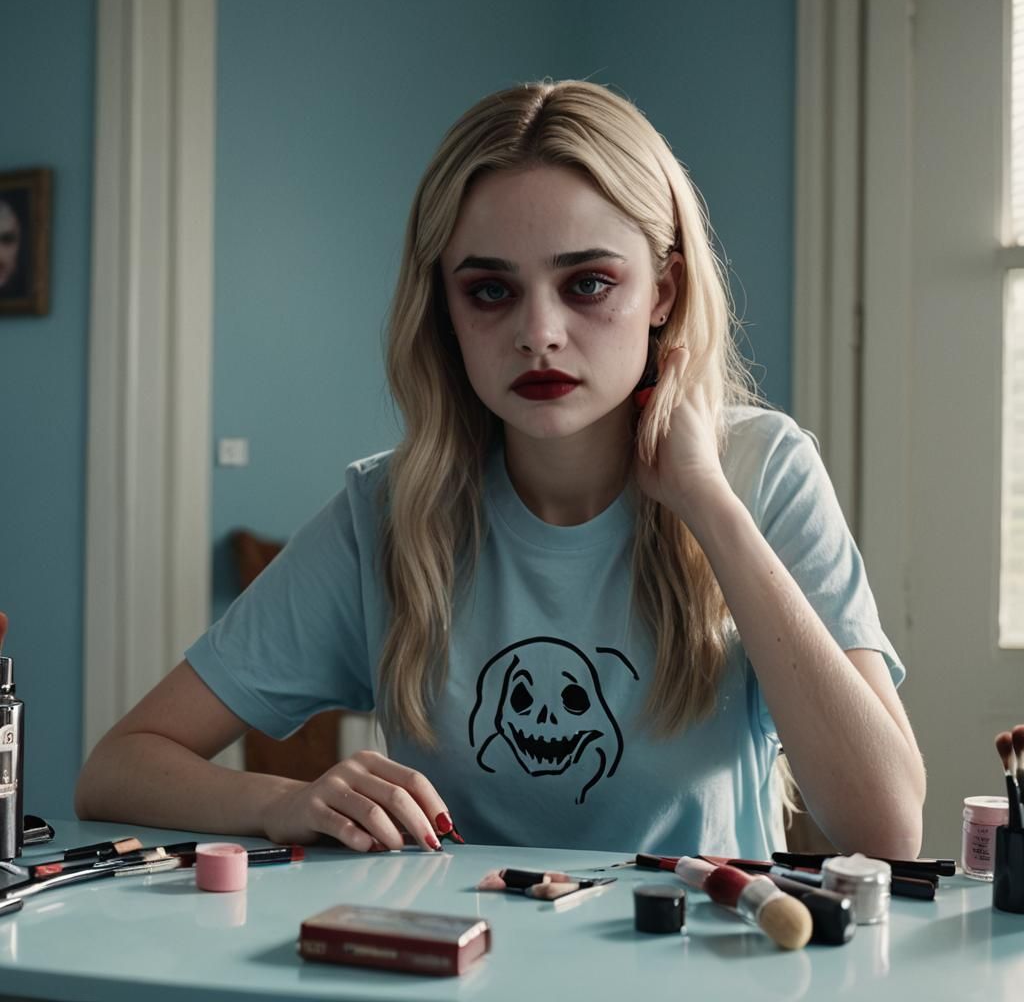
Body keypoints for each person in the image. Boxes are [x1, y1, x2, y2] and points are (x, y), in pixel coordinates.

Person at [75, 80, 925, 859]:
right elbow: (117, 769)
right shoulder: (385, 512)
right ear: (444, 307)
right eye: (489, 291)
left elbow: (884, 825)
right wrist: (284, 800)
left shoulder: (763, 469)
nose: (539, 332)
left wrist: (707, 503)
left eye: (588, 284)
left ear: (663, 292)